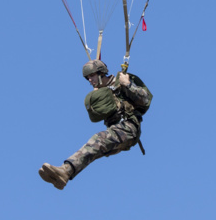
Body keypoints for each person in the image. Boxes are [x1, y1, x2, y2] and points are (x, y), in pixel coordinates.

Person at [39, 59, 151, 190]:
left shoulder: (120, 82)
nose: (90, 81)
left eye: (91, 76)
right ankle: (65, 173)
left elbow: (145, 100)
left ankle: (65, 170)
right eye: (87, 78)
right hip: (117, 132)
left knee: (97, 140)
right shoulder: (101, 90)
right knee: (93, 149)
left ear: (101, 73)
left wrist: (127, 84)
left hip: (128, 128)